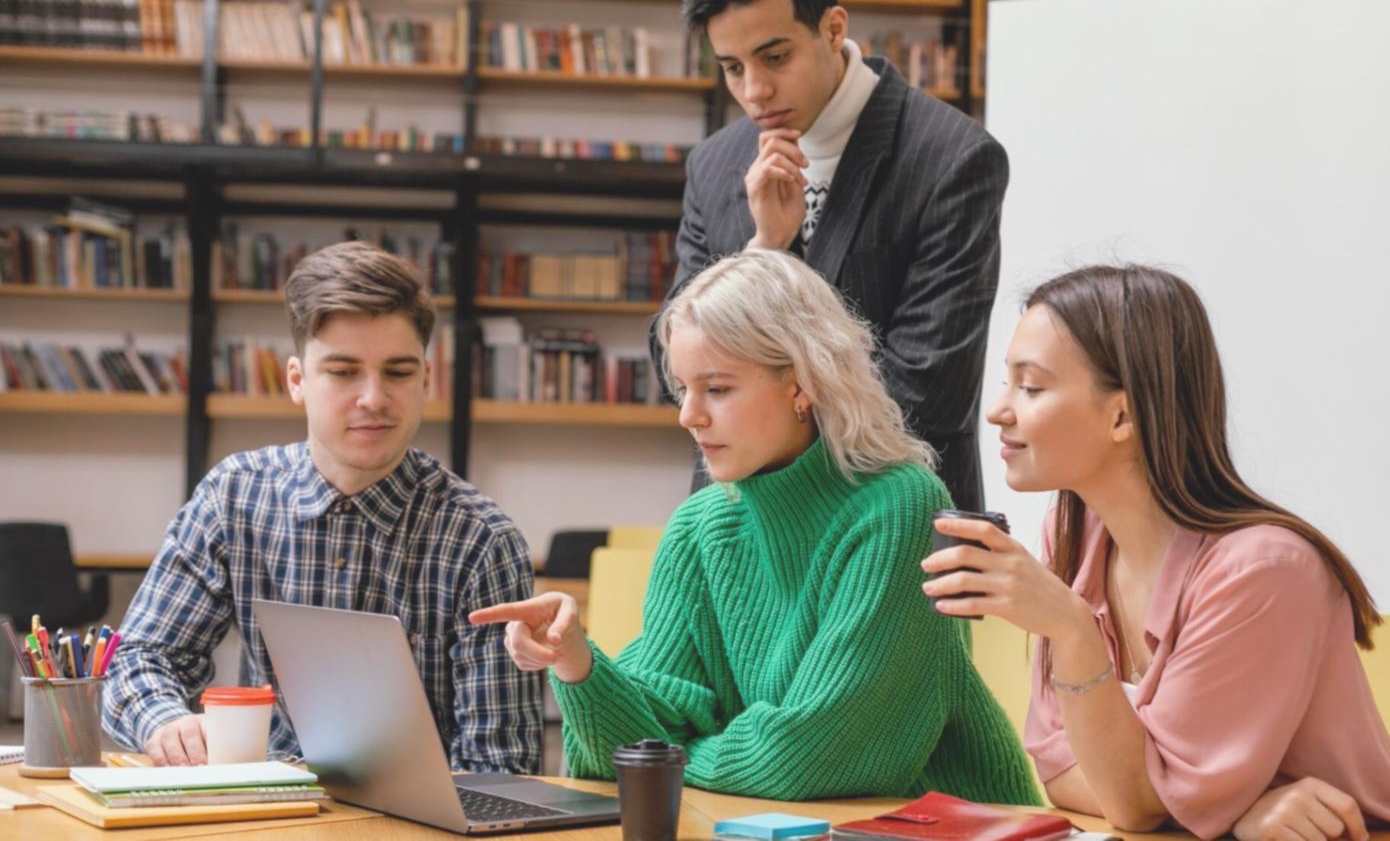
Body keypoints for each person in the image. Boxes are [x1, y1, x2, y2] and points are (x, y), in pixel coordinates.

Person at [473, 250, 1039, 803]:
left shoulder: (900, 507)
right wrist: (578, 665)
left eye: (717, 389)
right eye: (682, 389)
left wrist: (678, 758)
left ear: (800, 384)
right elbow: (621, 759)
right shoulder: (700, 526)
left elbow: (816, 757)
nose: (688, 415)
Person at [921, 265, 1390, 838]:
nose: (999, 411)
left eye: (1031, 386)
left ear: (1122, 414)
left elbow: (1134, 808)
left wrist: (1074, 630)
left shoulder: (1265, 572)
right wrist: (1221, 809)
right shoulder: (1074, 536)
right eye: (1008, 382)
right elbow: (1060, 770)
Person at [103, 241, 542, 772]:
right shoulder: (234, 496)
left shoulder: (482, 541)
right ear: (297, 381)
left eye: (398, 373)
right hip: (264, 811)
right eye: (343, 372)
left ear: (427, 380)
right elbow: (141, 657)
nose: (373, 398)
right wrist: (165, 723)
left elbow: (502, 771)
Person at [661, 0, 1007, 512]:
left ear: (833, 27)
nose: (755, 91)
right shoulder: (714, 165)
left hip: (891, 525)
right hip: (737, 529)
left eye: (775, 56)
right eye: (733, 67)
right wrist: (764, 253)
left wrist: (759, 410)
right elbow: (668, 359)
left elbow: (928, 391)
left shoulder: (953, 159)